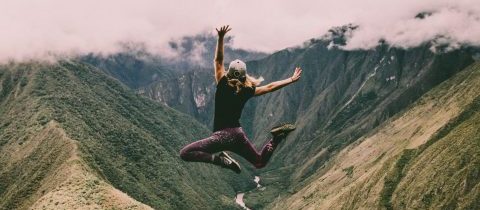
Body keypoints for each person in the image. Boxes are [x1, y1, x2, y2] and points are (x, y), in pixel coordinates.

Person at [179, 25, 302, 173]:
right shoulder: (247, 90)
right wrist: (291, 79)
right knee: (259, 162)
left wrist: (221, 38)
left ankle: (221, 161)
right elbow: (270, 87)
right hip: (238, 135)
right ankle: (276, 138)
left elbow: (218, 60)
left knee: (185, 153)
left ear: (228, 73)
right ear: (244, 75)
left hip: (221, 137)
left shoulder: (223, 83)